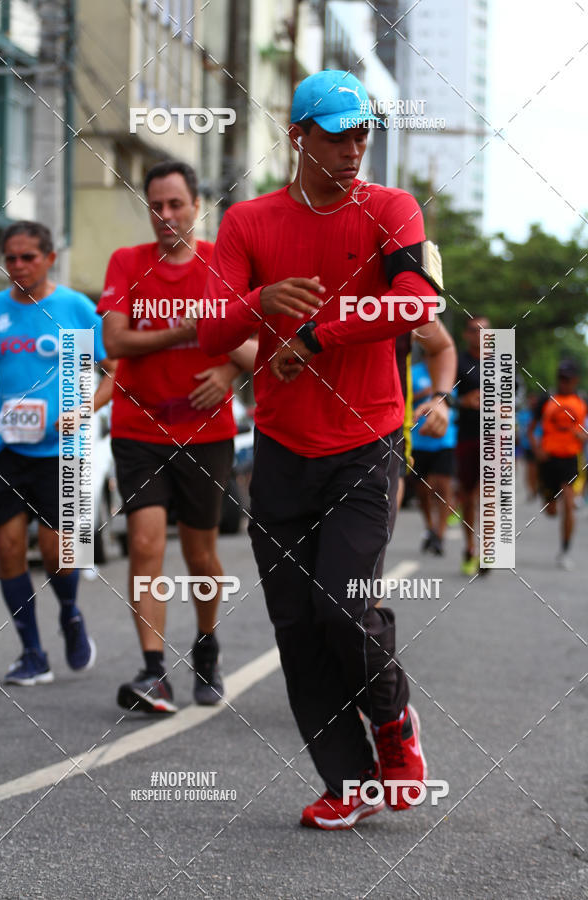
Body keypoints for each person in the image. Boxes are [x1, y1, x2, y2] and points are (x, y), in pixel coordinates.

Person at [198, 70, 455, 829]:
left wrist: (315, 335)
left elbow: (419, 302)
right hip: (280, 448)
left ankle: (395, 726)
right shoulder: (248, 222)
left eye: (361, 135)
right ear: (297, 135)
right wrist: (260, 304)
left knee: (340, 604)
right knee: (296, 626)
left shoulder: (391, 209)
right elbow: (210, 330)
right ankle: (349, 782)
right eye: (337, 135)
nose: (353, 149)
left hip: (365, 440)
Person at [98, 160, 256, 713]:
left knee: (201, 555)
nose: (165, 216)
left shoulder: (222, 262)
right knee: (144, 547)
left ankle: (207, 648)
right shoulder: (127, 262)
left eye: (176, 205)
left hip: (206, 431)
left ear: (197, 205)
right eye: (156, 206)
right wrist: (189, 330)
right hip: (138, 428)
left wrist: (230, 372)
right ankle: (152, 671)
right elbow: (115, 341)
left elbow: (257, 338)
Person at [0, 221, 115, 685]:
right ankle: (32, 653)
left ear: (49, 258)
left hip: (63, 448)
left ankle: (70, 613)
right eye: (11, 258)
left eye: (28, 257)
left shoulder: (74, 309)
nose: (18, 266)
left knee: (58, 552)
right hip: (4, 448)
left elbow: (113, 373)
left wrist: (83, 411)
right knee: (7, 551)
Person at [529, 360, 587, 569]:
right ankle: (549, 500)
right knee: (552, 511)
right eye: (561, 378)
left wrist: (582, 436)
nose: (563, 383)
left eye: (567, 379)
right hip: (548, 460)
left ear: (575, 380)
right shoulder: (546, 400)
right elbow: (530, 429)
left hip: (570, 459)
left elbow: (585, 433)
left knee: (569, 504)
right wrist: (537, 449)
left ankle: (565, 549)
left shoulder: (582, 402)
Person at [412, 351, 457, 555]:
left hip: (444, 440)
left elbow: (455, 401)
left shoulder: (447, 375)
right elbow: (402, 398)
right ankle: (430, 527)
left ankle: (440, 535)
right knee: (423, 491)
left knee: (442, 487)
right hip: (419, 440)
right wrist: (425, 395)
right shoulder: (413, 373)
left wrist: (442, 397)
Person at [455, 315, 489, 575]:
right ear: (466, 334)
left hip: (493, 436)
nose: (479, 335)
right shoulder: (458, 361)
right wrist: (463, 402)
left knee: (489, 496)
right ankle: (469, 547)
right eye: (474, 331)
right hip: (467, 435)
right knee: (468, 496)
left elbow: (515, 399)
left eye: (484, 331)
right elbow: (444, 396)